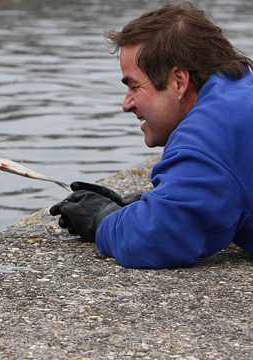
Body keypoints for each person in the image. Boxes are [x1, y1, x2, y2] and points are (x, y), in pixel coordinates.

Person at [49, 2, 253, 269]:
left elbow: (153, 237)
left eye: (134, 85)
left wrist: (102, 218)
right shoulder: (239, 91)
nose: (126, 104)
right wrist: (149, 202)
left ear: (179, 81)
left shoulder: (210, 134)